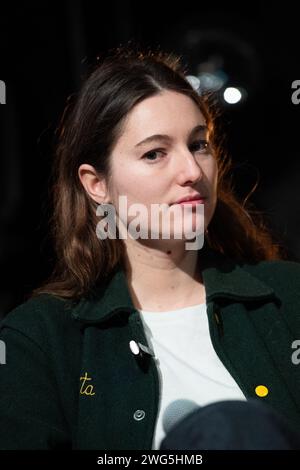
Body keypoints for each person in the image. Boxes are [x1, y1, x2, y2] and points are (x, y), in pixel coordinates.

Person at [0, 45, 300, 451]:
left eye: (198, 144)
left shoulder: (288, 298)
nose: (192, 172)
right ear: (97, 184)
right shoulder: (39, 341)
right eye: (155, 153)